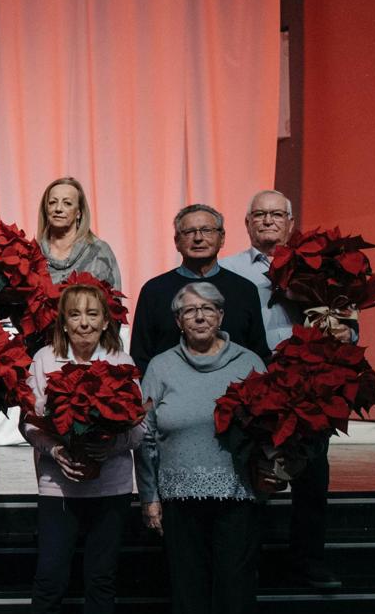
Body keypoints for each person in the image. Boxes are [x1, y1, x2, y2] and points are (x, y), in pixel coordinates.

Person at [137, 282, 274, 614]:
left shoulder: (249, 362)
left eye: (208, 308)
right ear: (177, 321)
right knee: (189, 587)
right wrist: (150, 497)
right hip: (180, 495)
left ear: (221, 315)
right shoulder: (161, 366)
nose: (199, 316)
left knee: (235, 585)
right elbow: (146, 437)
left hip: (236, 492)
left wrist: (273, 471)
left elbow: (272, 425)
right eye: (190, 310)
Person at [17, 282, 144, 614]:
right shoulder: (45, 359)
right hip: (59, 486)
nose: (85, 323)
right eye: (75, 315)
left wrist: (109, 446)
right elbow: (30, 421)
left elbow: (139, 429)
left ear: (106, 320)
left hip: (109, 486)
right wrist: (56, 449)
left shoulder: (120, 361)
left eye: (93, 314)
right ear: (63, 322)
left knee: (101, 579)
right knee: (50, 576)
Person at [221, 190, 351, 592]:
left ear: (290, 222)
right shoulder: (228, 270)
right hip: (252, 381)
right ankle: (247, 568)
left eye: (276, 214)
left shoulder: (319, 267)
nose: (267, 221)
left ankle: (308, 561)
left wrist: (344, 330)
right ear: (246, 224)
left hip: (309, 381)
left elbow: (347, 320)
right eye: (259, 215)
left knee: (313, 475)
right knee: (248, 473)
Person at [130, 204, 269, 373]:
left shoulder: (244, 290)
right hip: (171, 393)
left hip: (235, 392)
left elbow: (258, 353)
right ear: (176, 241)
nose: (198, 238)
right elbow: (140, 357)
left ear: (222, 237)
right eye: (189, 232)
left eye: (206, 230)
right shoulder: (154, 291)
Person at [36, 177, 122, 288]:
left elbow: (113, 302)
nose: (58, 208)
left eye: (67, 203)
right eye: (52, 202)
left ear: (79, 212)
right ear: (45, 209)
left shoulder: (99, 252)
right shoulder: (33, 254)